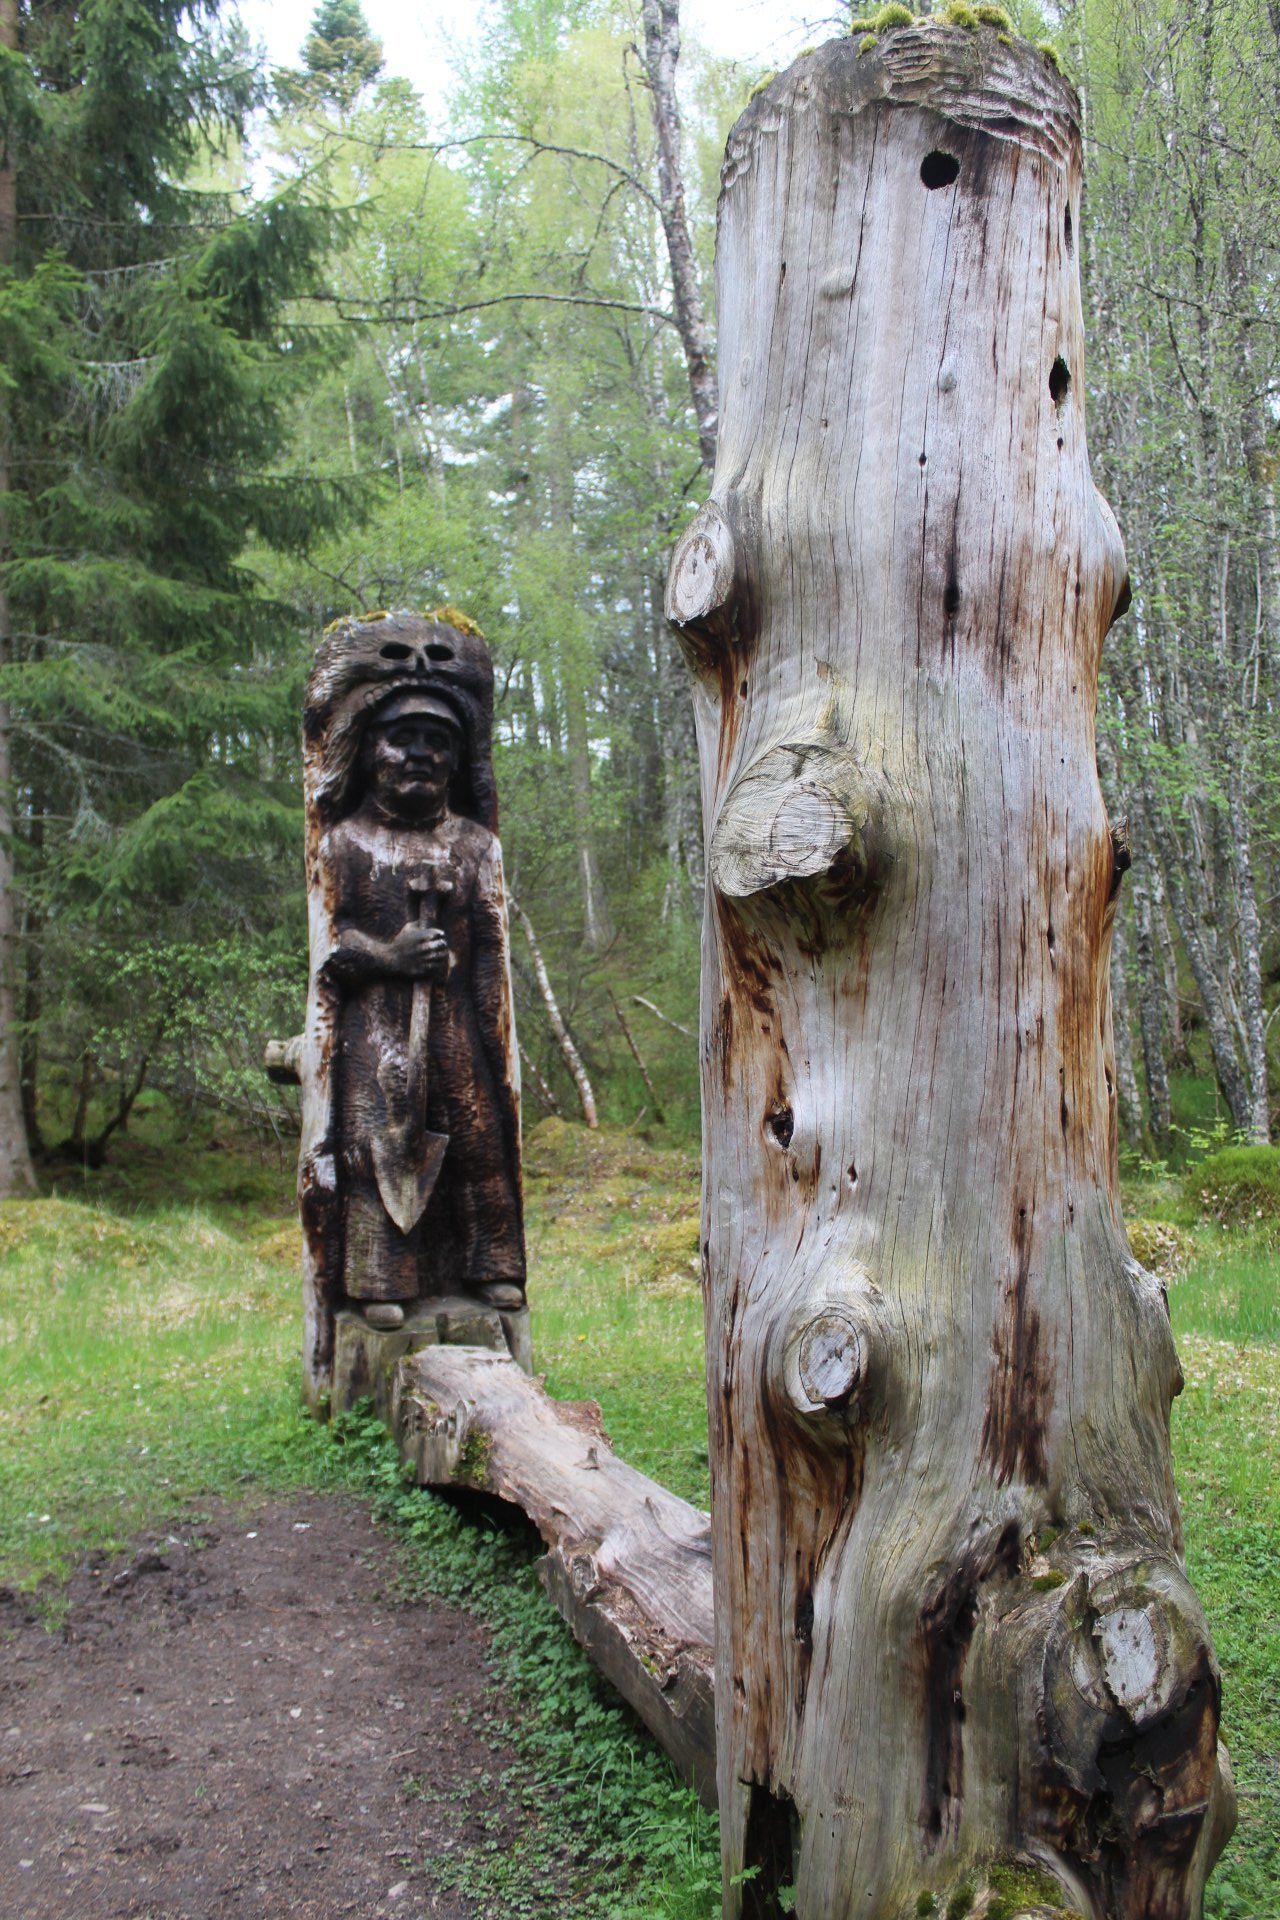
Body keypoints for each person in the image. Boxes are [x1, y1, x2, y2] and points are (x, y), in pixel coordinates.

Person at [318, 683, 526, 1323]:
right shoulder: (345, 844)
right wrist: (389, 956)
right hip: (375, 1032)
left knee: (477, 1139)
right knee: (378, 1142)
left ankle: (491, 1264)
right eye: (402, 738)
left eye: (436, 742)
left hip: (455, 1025)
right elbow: (329, 950)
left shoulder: (474, 846)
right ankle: (382, 1277)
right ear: (371, 751)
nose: (419, 754)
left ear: (457, 760)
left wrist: (496, 1042)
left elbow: (491, 947)